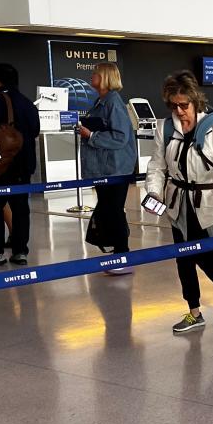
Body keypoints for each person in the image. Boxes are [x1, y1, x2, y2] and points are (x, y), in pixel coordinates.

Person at [145, 70, 213, 333]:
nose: (179, 111)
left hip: (210, 205)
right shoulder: (165, 128)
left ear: (195, 101)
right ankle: (194, 311)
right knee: (184, 259)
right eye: (174, 105)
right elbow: (157, 166)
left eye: (184, 105)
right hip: (178, 204)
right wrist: (154, 192)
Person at [0, 63, 41, 266]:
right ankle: (20, 251)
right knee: (20, 209)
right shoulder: (28, 103)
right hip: (24, 165)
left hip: (0, 166)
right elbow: (36, 130)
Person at [77, 63, 138, 269]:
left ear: (105, 77)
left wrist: (91, 135)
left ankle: (122, 254)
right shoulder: (101, 102)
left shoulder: (113, 103)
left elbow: (120, 137)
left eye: (95, 73)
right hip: (104, 168)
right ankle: (117, 250)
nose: (92, 76)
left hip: (115, 168)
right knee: (109, 209)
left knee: (114, 210)